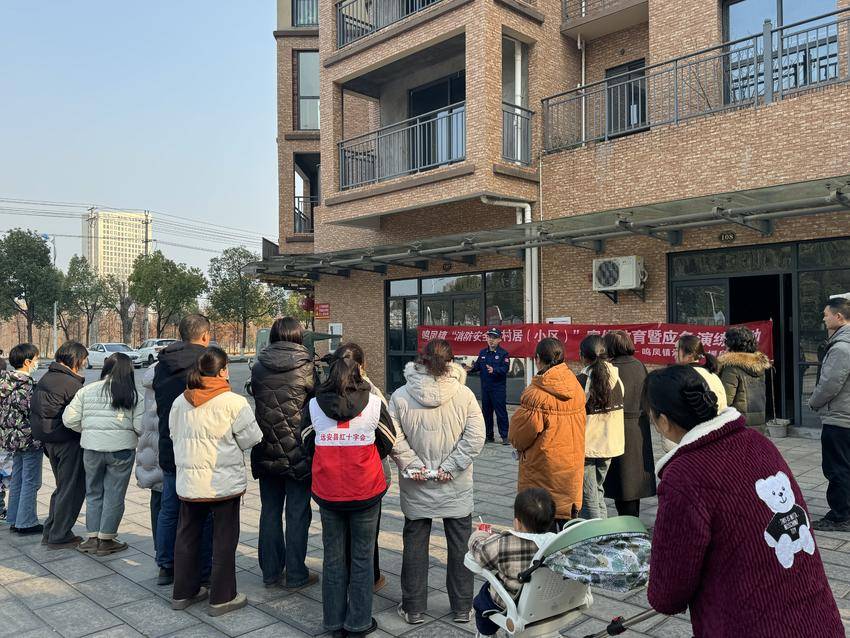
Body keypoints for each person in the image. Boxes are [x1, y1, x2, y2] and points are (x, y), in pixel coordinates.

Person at [645, 365, 842, 637]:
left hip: (751, 625)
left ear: (664, 421)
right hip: (817, 620)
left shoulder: (684, 475)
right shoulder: (758, 441)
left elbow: (667, 595)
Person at [302, 344, 396, 638]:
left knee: (332, 557)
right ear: (360, 368)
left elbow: (306, 442)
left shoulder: (314, 404)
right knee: (362, 558)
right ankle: (358, 622)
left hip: (328, 491)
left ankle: (333, 621)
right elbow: (388, 441)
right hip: (365, 490)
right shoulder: (374, 403)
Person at [391, 339, 485, 625]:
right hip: (455, 484)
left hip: (416, 483)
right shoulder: (464, 395)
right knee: (460, 547)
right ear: (451, 362)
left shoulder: (401, 395)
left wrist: (413, 465)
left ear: (421, 359)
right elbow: (476, 437)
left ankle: (413, 608)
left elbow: (393, 438)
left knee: (415, 545)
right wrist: (451, 466)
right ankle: (462, 607)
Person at [169, 347, 262, 616]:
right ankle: (222, 597)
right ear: (222, 371)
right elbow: (252, 438)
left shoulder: (181, 401)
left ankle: (183, 592)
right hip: (223, 483)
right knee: (224, 539)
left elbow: (173, 433)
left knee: (186, 535)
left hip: (189, 481)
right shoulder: (233, 402)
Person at [250, 317, 318, 590]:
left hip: (265, 447)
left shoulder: (258, 367)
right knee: (297, 513)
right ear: (299, 336)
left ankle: (270, 572)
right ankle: (296, 573)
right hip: (299, 451)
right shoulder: (308, 367)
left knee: (270, 511)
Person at [63, 353, 144, 556]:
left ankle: (92, 538)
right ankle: (106, 539)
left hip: (91, 449)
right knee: (114, 494)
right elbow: (140, 427)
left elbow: (69, 419)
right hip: (121, 452)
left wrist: (88, 430)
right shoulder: (133, 395)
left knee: (93, 492)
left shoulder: (86, 391)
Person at [154, 314, 213, 585]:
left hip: (170, 442)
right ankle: (203, 568)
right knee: (204, 511)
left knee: (169, 509)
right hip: (202, 447)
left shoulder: (162, 363)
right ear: (205, 336)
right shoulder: (208, 362)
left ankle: (166, 566)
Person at [333, 343, 392, 592]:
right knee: (367, 535)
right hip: (368, 475)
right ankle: (371, 577)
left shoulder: (322, 394)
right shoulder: (373, 395)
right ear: (363, 366)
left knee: (338, 536)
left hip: (332, 475)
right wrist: (368, 457)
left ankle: (341, 579)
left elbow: (310, 438)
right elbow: (388, 438)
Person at [508, 338, 585, 527]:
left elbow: (518, 437)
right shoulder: (576, 386)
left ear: (537, 359)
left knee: (541, 525)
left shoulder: (536, 395)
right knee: (564, 525)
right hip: (570, 467)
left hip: (542, 469)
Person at [469, 488, 557, 637]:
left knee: (483, 598)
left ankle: (486, 632)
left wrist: (479, 535)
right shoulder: (556, 542)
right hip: (546, 600)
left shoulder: (504, 544)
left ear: (517, 523)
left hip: (512, 603)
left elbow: (480, 552)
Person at [30, 341, 88, 549]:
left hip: (49, 442)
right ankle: (60, 535)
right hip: (67, 442)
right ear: (75, 358)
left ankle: (51, 530)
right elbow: (77, 417)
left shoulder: (47, 377)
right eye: (83, 359)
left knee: (62, 487)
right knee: (71, 489)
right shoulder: (70, 383)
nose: (84, 363)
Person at [602, 331, 656, 518]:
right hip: (640, 427)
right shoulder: (639, 365)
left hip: (619, 426)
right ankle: (633, 518)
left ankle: (626, 521)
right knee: (634, 480)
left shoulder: (610, 369)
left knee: (622, 481)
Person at [808, 296, 850, 532]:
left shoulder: (841, 348)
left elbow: (830, 383)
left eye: (826, 315)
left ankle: (840, 516)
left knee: (837, 468)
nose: (823, 319)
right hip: (845, 416)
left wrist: (813, 402)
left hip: (840, 418)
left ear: (839, 316)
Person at [576, 335, 624, 520]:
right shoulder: (616, 377)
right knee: (597, 489)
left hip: (588, 445)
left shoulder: (583, 380)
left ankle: (595, 531)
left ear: (583, 356)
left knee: (588, 496)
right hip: (610, 444)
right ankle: (603, 528)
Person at [0, 343, 42, 534]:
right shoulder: (27, 385)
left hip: (10, 439)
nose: (37, 363)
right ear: (27, 362)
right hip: (29, 439)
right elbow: (34, 412)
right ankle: (26, 522)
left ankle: (15, 518)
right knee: (31, 481)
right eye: (36, 359)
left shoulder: (5, 382)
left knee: (17, 478)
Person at [717, 326, 771, 433]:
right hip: (759, 423)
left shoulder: (731, 367)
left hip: (737, 424)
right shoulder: (758, 366)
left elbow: (725, 400)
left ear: (732, 344)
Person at [136, 361, 163, 550]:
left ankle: (160, 550)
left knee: (158, 499)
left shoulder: (154, 371)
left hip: (152, 445)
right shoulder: (188, 369)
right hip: (168, 445)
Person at [466, 328, 510, 444]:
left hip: (498, 389)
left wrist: (494, 370)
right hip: (485, 388)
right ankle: (488, 436)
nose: (491, 340)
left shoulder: (503, 354)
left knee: (501, 413)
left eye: (494, 338)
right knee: (486, 413)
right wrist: (468, 370)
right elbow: (477, 367)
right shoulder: (483, 353)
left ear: (499, 340)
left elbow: (505, 369)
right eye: (489, 337)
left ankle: (505, 436)